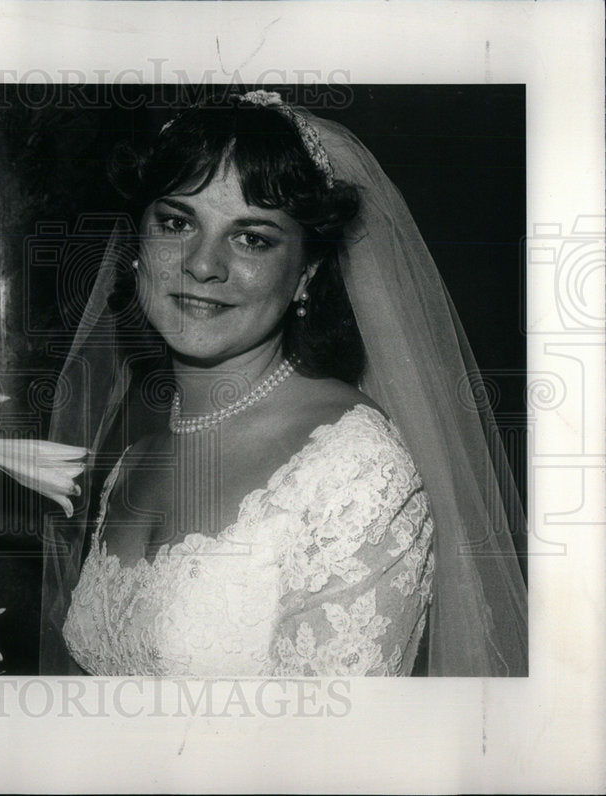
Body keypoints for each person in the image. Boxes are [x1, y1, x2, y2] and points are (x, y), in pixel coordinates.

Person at [41, 90, 528, 677]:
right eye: (176, 222)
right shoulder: (132, 461)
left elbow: (333, 756)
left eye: (252, 238)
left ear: (307, 274)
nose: (202, 264)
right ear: (138, 247)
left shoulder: (355, 468)